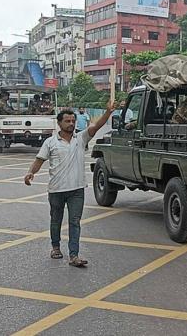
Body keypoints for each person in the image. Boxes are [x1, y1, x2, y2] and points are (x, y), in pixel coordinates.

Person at [24, 102, 117, 267]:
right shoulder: (50, 142)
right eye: (67, 121)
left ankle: (74, 255)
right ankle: (55, 247)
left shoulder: (80, 138)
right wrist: (31, 172)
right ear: (59, 123)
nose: (71, 124)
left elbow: (95, 127)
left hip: (77, 190)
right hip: (56, 189)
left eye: (73, 121)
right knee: (56, 220)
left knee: (75, 221)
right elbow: (39, 160)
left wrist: (108, 113)